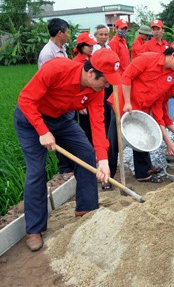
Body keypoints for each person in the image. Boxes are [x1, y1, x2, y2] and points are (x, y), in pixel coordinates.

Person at [14, 49, 121, 251]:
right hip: (31, 119)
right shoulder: (56, 69)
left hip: (62, 119)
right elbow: (26, 100)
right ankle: (34, 229)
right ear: (91, 73)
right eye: (105, 81)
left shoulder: (95, 90)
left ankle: (86, 210)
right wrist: (43, 131)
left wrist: (104, 159)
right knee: (37, 171)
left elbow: (98, 122)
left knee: (87, 154)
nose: (106, 86)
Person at [106, 42, 174, 186]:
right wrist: (127, 102)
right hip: (122, 104)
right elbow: (127, 77)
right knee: (115, 141)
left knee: (142, 138)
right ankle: (107, 175)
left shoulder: (172, 77)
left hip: (142, 108)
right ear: (173, 55)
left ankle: (143, 172)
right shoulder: (146, 59)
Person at [37, 18, 74, 181]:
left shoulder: (63, 49)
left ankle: (71, 166)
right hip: (55, 103)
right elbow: (47, 83)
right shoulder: (47, 54)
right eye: (67, 32)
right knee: (59, 134)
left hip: (66, 100)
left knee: (68, 133)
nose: (68, 35)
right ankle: (65, 169)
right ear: (60, 33)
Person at [73, 32, 98, 142]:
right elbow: (75, 86)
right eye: (89, 46)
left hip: (93, 97)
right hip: (83, 100)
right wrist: (80, 105)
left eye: (92, 45)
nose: (91, 48)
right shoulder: (76, 62)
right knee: (86, 127)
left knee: (96, 124)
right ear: (81, 46)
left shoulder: (93, 59)